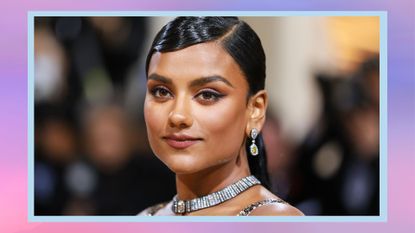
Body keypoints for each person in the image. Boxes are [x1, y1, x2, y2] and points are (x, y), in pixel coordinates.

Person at [139, 17, 303, 216]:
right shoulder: (147, 217)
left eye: (207, 95)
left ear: (255, 110)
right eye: (162, 92)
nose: (178, 115)